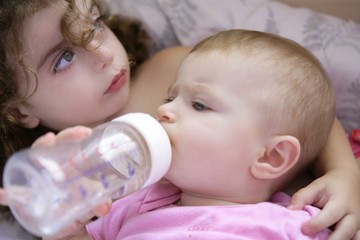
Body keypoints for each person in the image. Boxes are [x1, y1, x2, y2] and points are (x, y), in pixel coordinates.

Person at [0, 0, 359, 239]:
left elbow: (295, 101)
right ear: (18, 111)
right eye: (63, 58)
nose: (103, 54)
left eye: (93, 25)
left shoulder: (171, 70)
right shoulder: (67, 175)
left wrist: (344, 173)